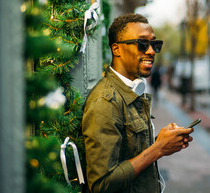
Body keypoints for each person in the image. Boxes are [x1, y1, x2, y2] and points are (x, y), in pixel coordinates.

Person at [82, 13, 194, 193]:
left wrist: (162, 142)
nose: (150, 51)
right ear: (116, 49)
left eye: (154, 44)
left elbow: (127, 153)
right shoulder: (105, 101)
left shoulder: (130, 90)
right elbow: (100, 184)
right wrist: (157, 150)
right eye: (142, 44)